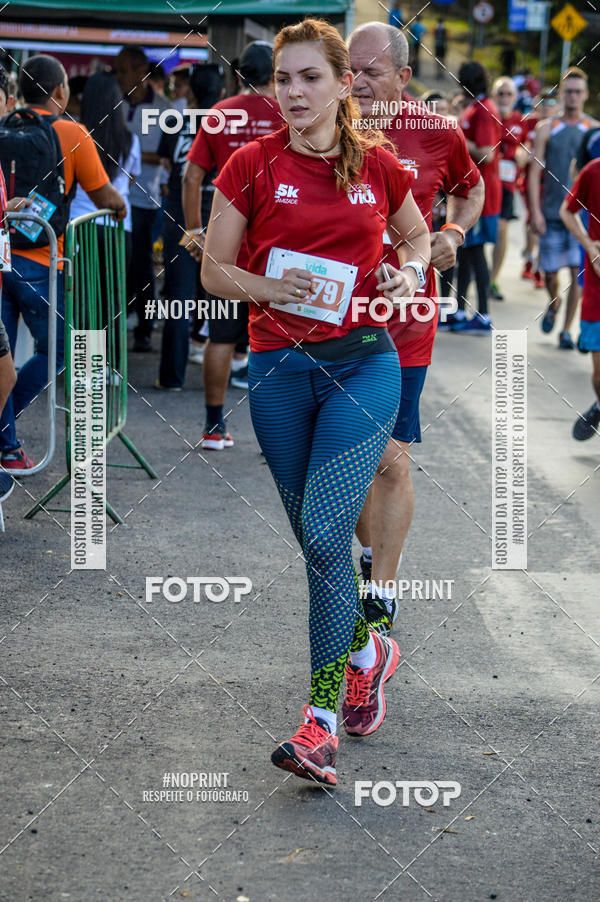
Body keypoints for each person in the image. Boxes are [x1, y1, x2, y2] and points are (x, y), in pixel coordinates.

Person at [201, 18, 430, 784]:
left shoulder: (381, 167)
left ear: (342, 84)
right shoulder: (251, 165)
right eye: (282, 80)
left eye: (309, 78)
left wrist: (408, 272)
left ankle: (319, 721)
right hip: (277, 371)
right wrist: (269, 288)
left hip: (365, 362)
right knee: (316, 541)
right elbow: (212, 270)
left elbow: (418, 237)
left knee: (331, 530)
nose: (293, 92)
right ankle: (369, 651)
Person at [348, 22, 483, 633]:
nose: (358, 82)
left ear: (404, 78)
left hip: (406, 319)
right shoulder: (327, 125)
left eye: (372, 72)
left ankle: (381, 597)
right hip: (335, 321)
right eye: (349, 68)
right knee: (349, 464)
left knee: (390, 463)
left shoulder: (437, 132)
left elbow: (471, 189)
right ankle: (373, 553)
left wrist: (451, 233)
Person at [0, 55, 125, 471]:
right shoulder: (72, 132)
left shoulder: (5, 124)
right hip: (41, 261)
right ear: (60, 92)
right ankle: (5, 425)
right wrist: (122, 208)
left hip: (2, 257)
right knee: (58, 353)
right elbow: (106, 197)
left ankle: (9, 449)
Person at [183, 42, 284, 449]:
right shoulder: (291, 111)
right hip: (277, 246)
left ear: (239, 74)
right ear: (274, 74)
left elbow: (192, 177)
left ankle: (212, 427)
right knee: (282, 339)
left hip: (225, 239)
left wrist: (193, 231)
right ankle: (280, 436)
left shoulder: (220, 112)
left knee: (220, 336)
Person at [156, 63, 225, 390]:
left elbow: (170, 166)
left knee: (178, 298)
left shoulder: (177, 122)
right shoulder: (231, 124)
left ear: (191, 91)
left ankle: (171, 376)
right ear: (223, 92)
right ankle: (226, 370)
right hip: (223, 215)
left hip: (179, 216)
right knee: (225, 295)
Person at [529, 67, 598, 350]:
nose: (572, 96)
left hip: (581, 217)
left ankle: (567, 330)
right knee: (551, 274)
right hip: (550, 213)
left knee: (577, 275)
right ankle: (553, 302)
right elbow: (534, 172)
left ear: (585, 95)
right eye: (568, 91)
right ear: (561, 93)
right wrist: (534, 211)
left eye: (578, 91)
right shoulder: (546, 128)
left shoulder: (593, 130)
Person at [115, 45, 169, 352]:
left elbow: (163, 156)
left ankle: (145, 330)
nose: (118, 77)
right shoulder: (116, 105)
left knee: (142, 265)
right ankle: (120, 325)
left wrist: (126, 156)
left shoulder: (162, 110)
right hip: (116, 198)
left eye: (123, 70)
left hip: (145, 199)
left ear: (140, 71)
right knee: (121, 264)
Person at [452, 61, 502, 333]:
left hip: (483, 195)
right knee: (467, 253)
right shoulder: (476, 106)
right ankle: (460, 311)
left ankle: (483, 315)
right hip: (471, 191)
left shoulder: (484, 110)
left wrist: (456, 135)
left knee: (476, 252)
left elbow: (487, 152)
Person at [560, 160, 600, 439]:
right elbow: (568, 210)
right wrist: (589, 245)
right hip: (597, 290)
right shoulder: (593, 171)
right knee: (599, 375)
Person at [489, 77, 527, 300]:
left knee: (501, 231)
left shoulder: (519, 120)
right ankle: (476, 273)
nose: (504, 98)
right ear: (494, 95)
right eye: (500, 93)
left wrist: (524, 152)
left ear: (515, 98)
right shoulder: (487, 116)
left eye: (509, 94)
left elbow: (526, 146)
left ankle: (492, 279)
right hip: (484, 184)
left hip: (506, 185)